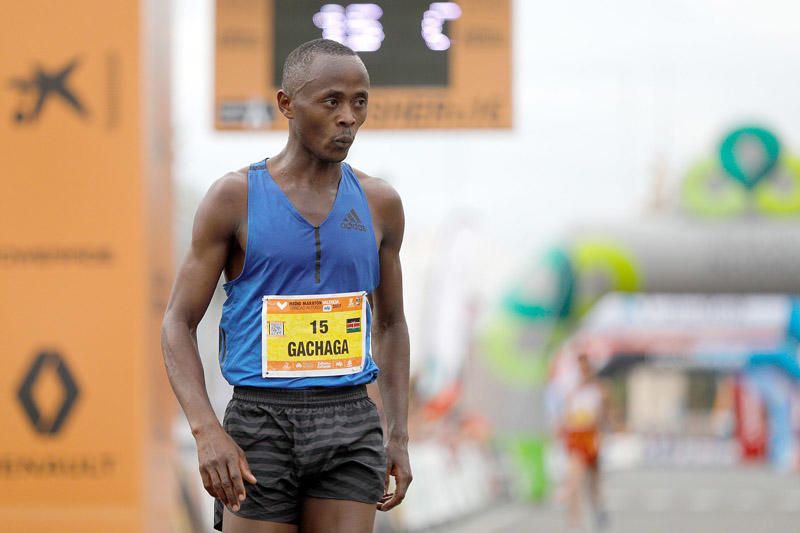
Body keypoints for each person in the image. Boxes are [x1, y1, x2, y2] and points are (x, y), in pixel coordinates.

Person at [161, 39, 411, 533]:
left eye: (360, 101)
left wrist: (398, 433)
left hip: (349, 418)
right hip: (260, 421)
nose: (348, 117)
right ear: (287, 104)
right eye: (332, 101)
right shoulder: (235, 197)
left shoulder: (381, 204)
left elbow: (392, 322)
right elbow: (177, 322)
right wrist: (206, 431)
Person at [559, 351, 609, 532]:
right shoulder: (571, 391)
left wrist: (601, 436)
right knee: (573, 482)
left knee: (593, 484)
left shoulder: (599, 391)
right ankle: (574, 525)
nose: (583, 372)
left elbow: (602, 418)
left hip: (591, 439)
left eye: (586, 368)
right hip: (575, 439)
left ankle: (598, 510)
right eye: (580, 368)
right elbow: (565, 416)